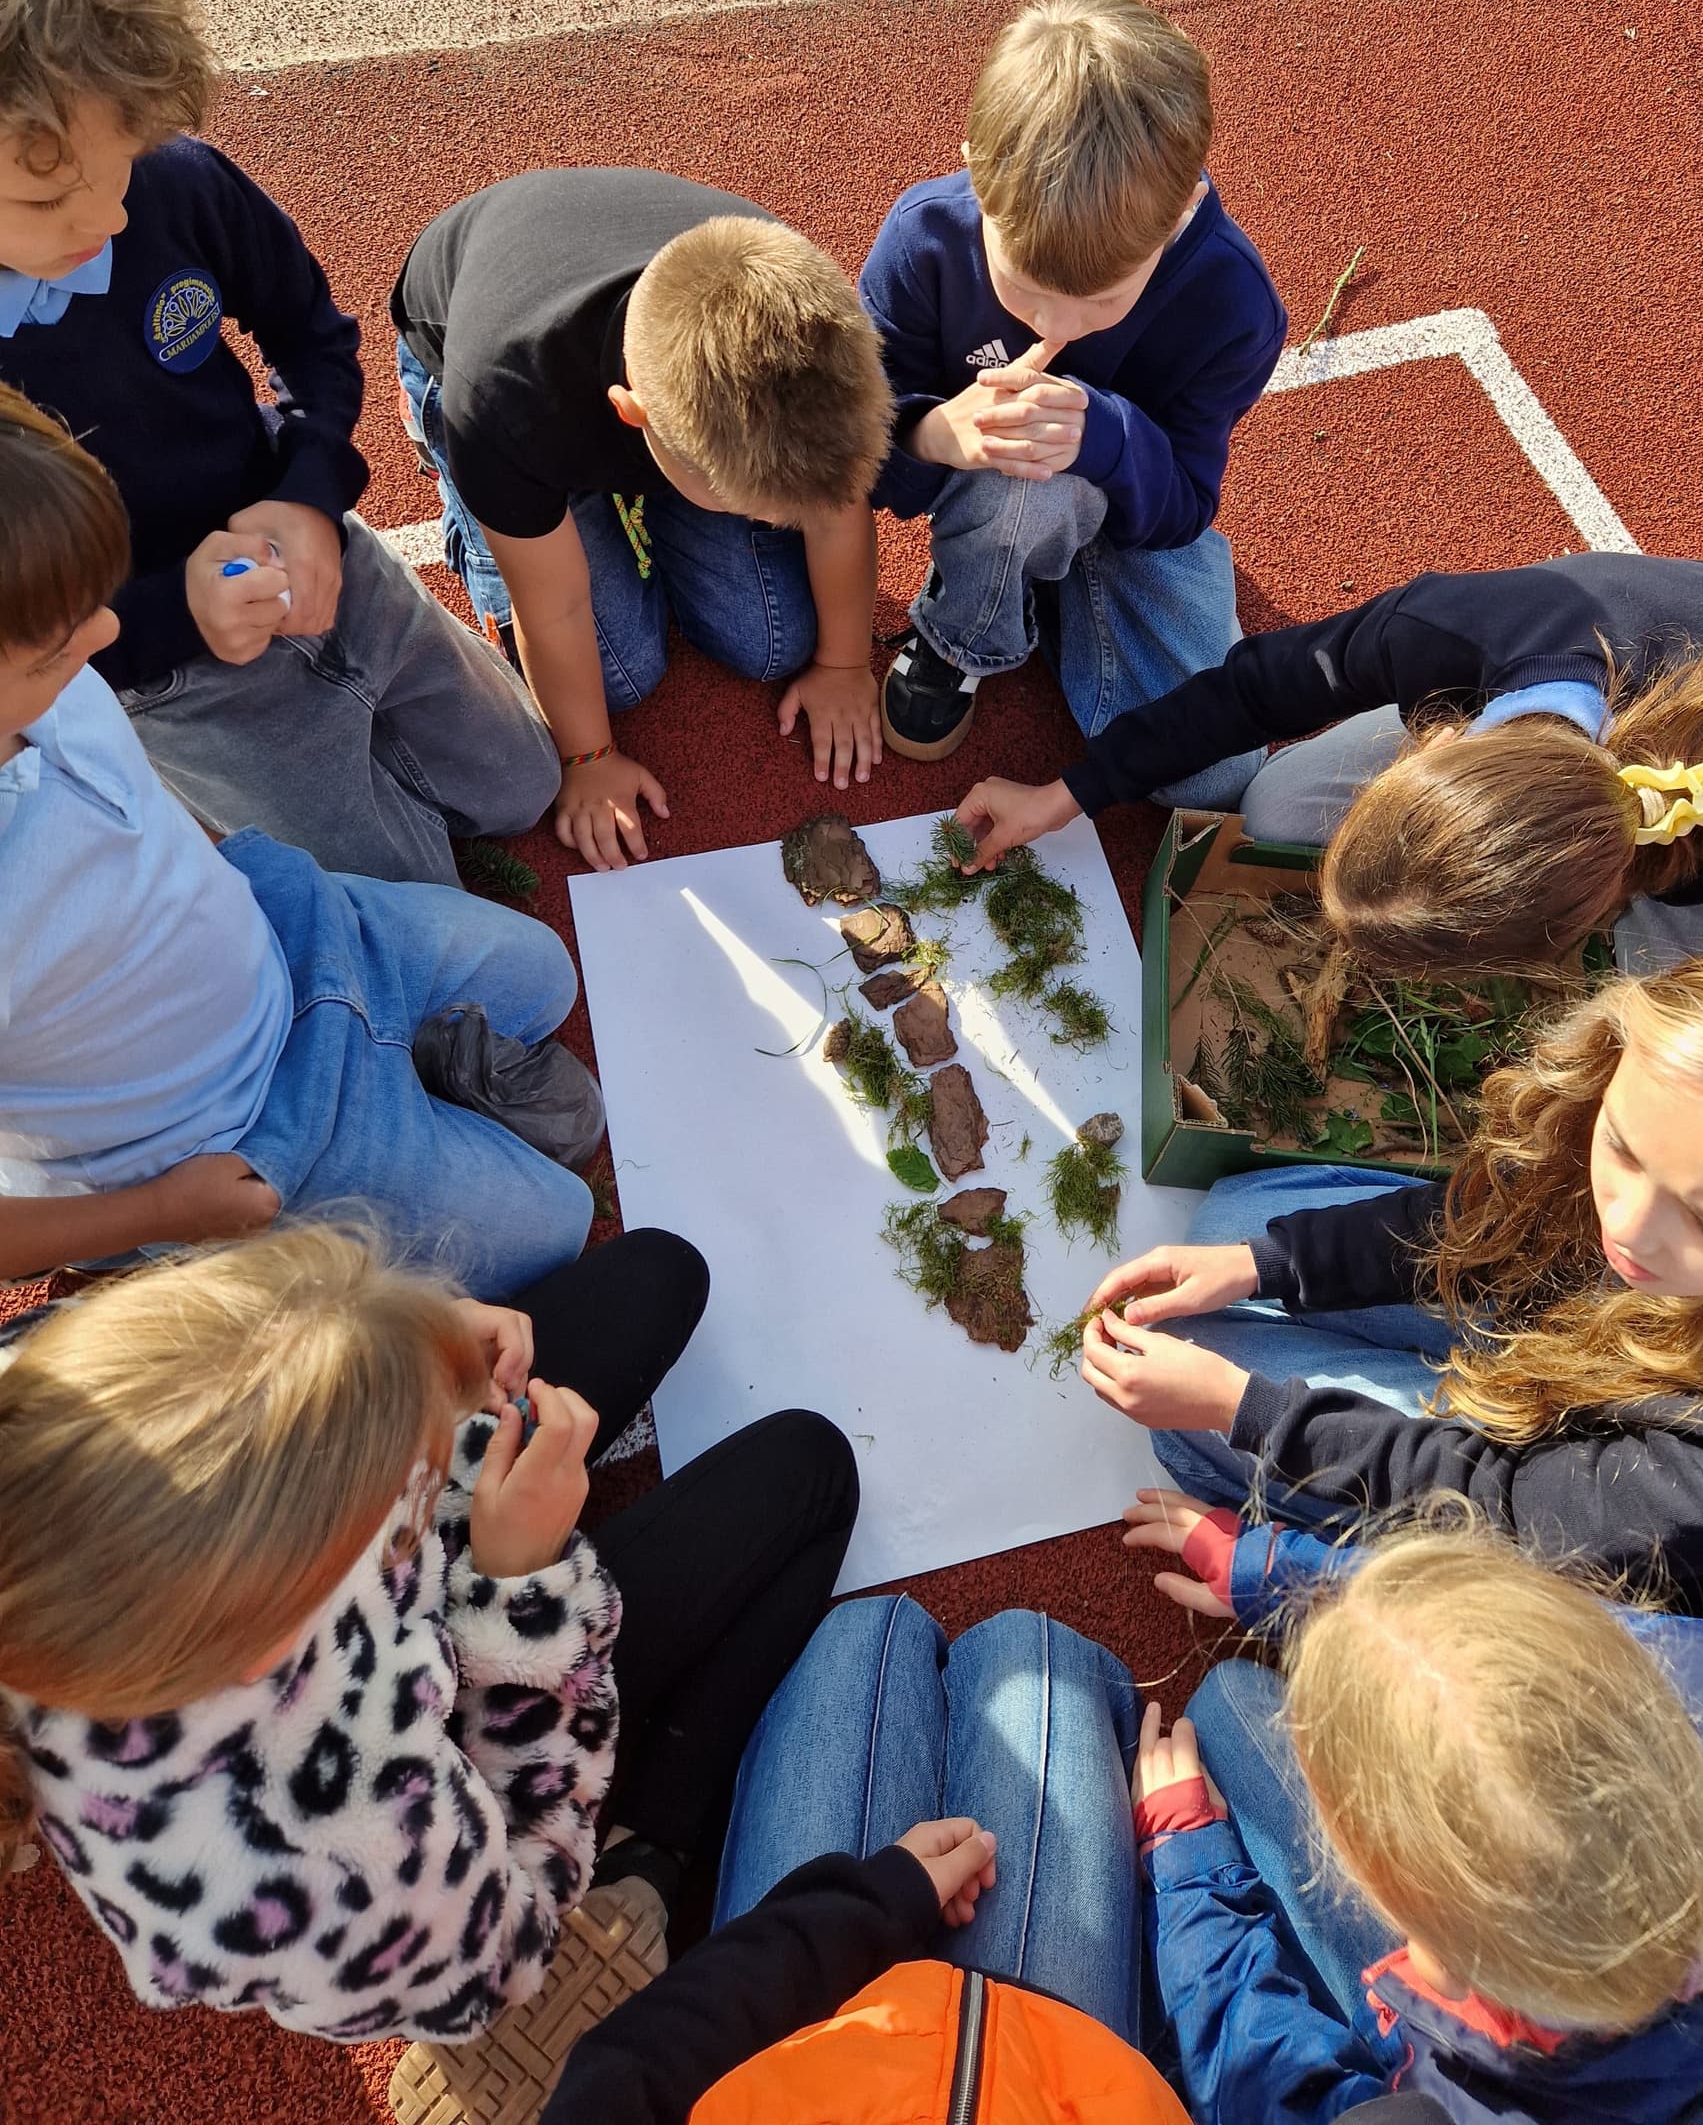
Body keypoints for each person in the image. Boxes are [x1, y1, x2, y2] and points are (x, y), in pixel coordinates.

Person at [0, 1220, 858, 2100]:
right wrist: (521, 1585)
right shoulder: (291, 1879)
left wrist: (401, 1334)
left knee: (663, 1270)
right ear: (280, 1626)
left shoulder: (36, 1399)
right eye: (383, 1457)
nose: (427, 1425)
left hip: (385, 1598)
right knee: (815, 1467)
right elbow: (511, 1942)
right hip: (480, 1725)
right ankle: (657, 1841)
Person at [1078, 925, 1703, 1641]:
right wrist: (1268, 1264)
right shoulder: (1691, 1139)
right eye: (1622, 1148)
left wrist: (1244, 1412)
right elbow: (1498, 1221)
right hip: (1598, 1348)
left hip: (1606, 1516)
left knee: (1191, 1425)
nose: (1626, 1223)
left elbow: (1508, 1504)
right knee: (1233, 1225)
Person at [0, 0, 558, 888]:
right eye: (45, 193)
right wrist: (171, 617)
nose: (108, 218)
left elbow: (312, 335)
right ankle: (186, 788)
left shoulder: (173, 182)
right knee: (422, 889)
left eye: (119, 162)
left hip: (306, 541)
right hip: (155, 660)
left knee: (523, 784)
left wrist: (306, 495)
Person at [0, 390, 592, 1294]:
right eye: (55, 643)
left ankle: (405, 1084)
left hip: (299, 937)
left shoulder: (41, 647)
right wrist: (166, 1211)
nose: (110, 632)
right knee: (559, 1228)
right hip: (223, 1138)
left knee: (547, 974)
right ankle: (251, 1235)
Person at [1124, 1513, 1703, 2124]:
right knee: (1233, 1702)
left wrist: (1193, 1878)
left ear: (1384, 1890)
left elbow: (1280, 2097)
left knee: (1229, 1703)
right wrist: (1291, 1576)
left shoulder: (1452, 2103)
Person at [952, 553, 1703, 976]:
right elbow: (1253, 691)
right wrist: (1069, 790)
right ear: (1439, 742)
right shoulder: (1452, 627)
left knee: (1658, 1003)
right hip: (1601, 668)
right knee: (1280, 806)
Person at [391, 171, 894, 870]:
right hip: (482, 371)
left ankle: (653, 502)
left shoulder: (818, 335)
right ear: (636, 416)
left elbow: (838, 513)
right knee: (618, 674)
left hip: (646, 371)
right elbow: (555, 606)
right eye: (757, 508)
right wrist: (588, 759)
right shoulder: (505, 400)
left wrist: (845, 665)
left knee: (771, 643)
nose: (785, 521)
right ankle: (472, 495)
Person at [860, 0, 1285, 792]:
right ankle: (964, 635)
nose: (1058, 328)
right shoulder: (923, 242)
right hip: (989, 497)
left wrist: (1105, 440)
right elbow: (856, 446)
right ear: (977, 179)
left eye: (1103, 301)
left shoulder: (1234, 302)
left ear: (1180, 212)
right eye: (1022, 291)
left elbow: (1187, 505)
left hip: (1134, 519)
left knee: (1211, 776)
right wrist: (934, 433)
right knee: (1024, 495)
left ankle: (1037, 591)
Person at [543, 1595, 1191, 2124]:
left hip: (788, 2058)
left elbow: (631, 2070)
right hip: (1060, 2076)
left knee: (870, 1628)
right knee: (1032, 1650)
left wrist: (878, 1898)